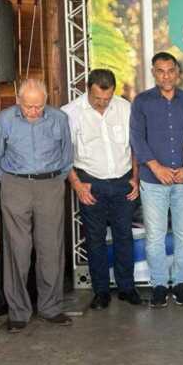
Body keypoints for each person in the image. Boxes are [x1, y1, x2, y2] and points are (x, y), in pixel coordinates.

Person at [0, 79, 74, 332]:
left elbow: (67, 157)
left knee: (51, 247)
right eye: (28, 106)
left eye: (39, 106)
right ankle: (18, 312)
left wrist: (53, 181)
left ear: (46, 101)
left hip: (50, 184)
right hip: (16, 185)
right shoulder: (5, 119)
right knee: (18, 249)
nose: (34, 111)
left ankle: (51, 308)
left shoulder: (59, 118)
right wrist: (12, 183)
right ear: (19, 101)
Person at [62, 69, 142, 309]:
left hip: (122, 181)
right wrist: (77, 184)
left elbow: (135, 146)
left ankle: (127, 288)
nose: (103, 103)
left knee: (124, 236)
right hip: (90, 182)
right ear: (88, 89)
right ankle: (101, 292)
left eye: (107, 98)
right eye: (98, 98)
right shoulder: (70, 113)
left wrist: (135, 177)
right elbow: (63, 155)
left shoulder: (125, 108)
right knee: (95, 239)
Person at [130, 52, 183, 308]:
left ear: (177, 72)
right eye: (160, 71)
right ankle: (158, 285)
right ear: (153, 73)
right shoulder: (141, 101)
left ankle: (180, 284)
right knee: (155, 237)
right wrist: (155, 167)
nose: (166, 76)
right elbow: (137, 138)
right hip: (152, 180)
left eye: (170, 70)